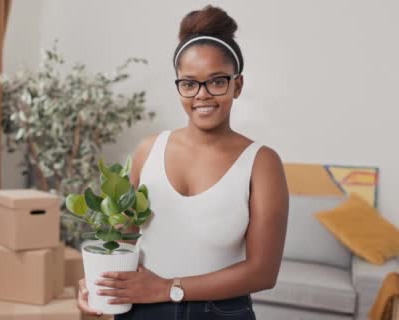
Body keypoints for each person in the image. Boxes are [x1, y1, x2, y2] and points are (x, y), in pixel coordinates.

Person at [77, 5, 289, 320]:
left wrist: (166, 288)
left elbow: (263, 273)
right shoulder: (148, 150)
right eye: (189, 83)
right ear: (179, 87)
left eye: (217, 81)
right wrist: (103, 280)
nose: (202, 95)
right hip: (141, 308)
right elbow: (125, 236)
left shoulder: (262, 163)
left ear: (238, 85)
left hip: (220, 312)